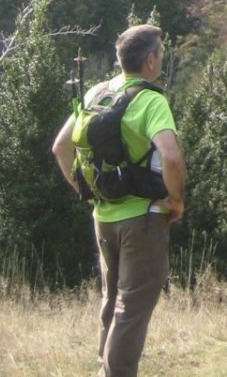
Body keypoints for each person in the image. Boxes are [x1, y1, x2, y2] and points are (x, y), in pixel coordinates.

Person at [53, 23, 186, 377]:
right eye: (160, 53)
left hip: (103, 217)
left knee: (111, 303)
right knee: (132, 309)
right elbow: (171, 158)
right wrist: (176, 201)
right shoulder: (150, 100)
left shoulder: (96, 93)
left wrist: (85, 192)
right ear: (150, 60)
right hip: (143, 217)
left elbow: (61, 147)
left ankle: (103, 370)